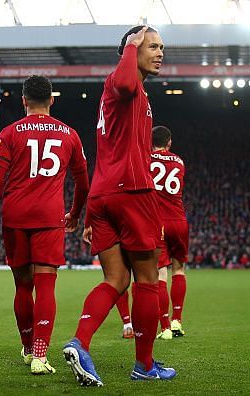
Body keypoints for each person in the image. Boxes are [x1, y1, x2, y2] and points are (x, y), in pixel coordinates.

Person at [62, 26, 176, 386]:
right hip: (132, 192)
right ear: (133, 48)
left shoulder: (131, 90)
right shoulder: (121, 82)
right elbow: (125, 83)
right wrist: (130, 46)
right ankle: (144, 365)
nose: (159, 53)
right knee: (146, 279)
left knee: (115, 278)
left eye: (161, 47)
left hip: (103, 194)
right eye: (152, 46)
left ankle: (80, 343)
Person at [0, 75, 89, 375]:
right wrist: (75, 212)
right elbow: (83, 182)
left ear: (23, 101)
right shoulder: (69, 134)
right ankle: (41, 357)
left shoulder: (9, 133)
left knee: (22, 285)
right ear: (52, 100)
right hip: (48, 216)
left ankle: (28, 346)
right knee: (46, 285)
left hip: (15, 216)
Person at [149, 125, 188, 340]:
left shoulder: (146, 159)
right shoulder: (179, 161)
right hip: (179, 219)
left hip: (158, 222)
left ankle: (164, 327)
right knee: (179, 269)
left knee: (160, 273)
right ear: (170, 142)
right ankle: (177, 321)